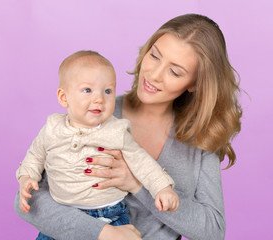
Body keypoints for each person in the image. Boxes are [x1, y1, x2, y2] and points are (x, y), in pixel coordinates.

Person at [14, 13, 242, 240]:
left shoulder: (200, 139)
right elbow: (29, 200)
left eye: (174, 71)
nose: (154, 74)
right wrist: (102, 233)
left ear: (194, 83)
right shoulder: (96, 112)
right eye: (154, 56)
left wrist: (137, 185)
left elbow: (213, 231)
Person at [16, 50, 179, 240]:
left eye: (107, 91)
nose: (99, 99)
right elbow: (35, 156)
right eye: (87, 90)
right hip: (63, 216)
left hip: (110, 216)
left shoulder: (116, 131)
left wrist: (163, 188)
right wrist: (27, 177)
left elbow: (142, 161)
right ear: (63, 98)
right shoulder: (52, 128)